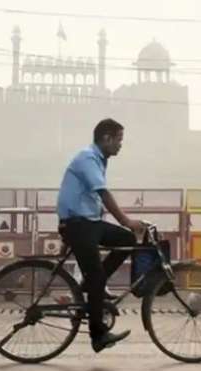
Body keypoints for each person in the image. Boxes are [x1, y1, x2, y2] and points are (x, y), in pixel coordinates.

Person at [56, 118, 143, 353]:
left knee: (127, 239)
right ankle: (98, 335)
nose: (120, 145)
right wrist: (127, 221)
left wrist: (127, 228)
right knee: (97, 278)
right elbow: (103, 194)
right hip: (78, 225)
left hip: (89, 223)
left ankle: (90, 285)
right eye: (119, 140)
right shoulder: (88, 158)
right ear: (106, 138)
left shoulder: (98, 159)